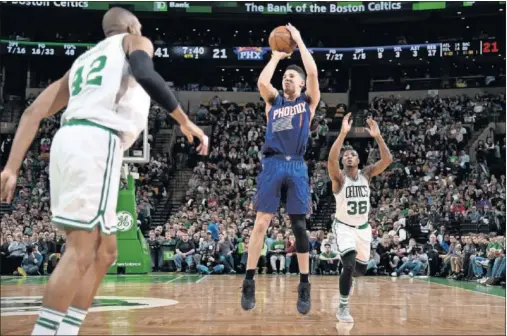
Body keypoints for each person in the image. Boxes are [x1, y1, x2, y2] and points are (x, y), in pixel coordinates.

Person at [0, 7, 208, 336]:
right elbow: (145, 73)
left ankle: (67, 329)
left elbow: (32, 112)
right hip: (98, 141)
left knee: (106, 252)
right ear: (130, 25)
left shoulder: (83, 63)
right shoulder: (135, 39)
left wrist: (12, 167)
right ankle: (45, 332)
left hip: (70, 141)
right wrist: (184, 121)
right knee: (81, 251)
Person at [241, 23, 320, 315]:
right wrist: (276, 57)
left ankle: (304, 283)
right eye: (285, 76)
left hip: (297, 164)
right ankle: (249, 280)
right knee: (261, 222)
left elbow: (312, 72)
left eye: (291, 77)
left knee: (299, 227)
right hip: (272, 163)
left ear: (300, 85)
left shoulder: (307, 102)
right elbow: (262, 83)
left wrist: (298, 40)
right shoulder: (272, 102)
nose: (287, 78)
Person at [327, 113, 392, 323]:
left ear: (358, 160)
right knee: (347, 265)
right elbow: (330, 159)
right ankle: (343, 307)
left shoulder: (367, 174)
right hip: (344, 226)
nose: (348, 156)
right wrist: (343, 134)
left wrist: (378, 136)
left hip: (363, 228)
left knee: (361, 269)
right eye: (345, 154)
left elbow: (388, 160)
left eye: (352, 154)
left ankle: (347, 279)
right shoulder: (338, 178)